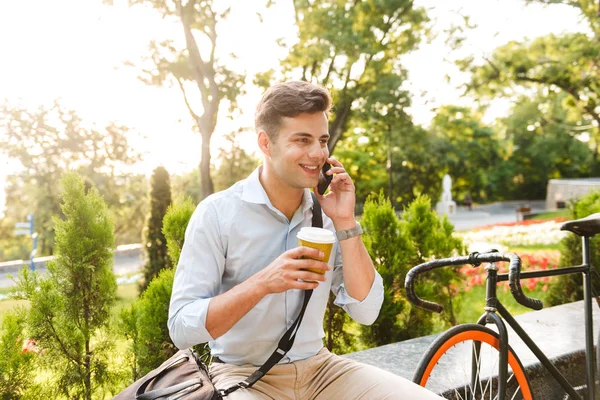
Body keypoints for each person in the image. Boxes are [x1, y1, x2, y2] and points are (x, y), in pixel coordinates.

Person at [168, 81, 443, 399]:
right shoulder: (217, 214)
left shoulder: (328, 213)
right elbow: (181, 327)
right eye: (302, 140)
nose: (317, 153)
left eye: (322, 141)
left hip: (322, 370)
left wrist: (345, 222)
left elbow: (366, 312)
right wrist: (264, 282)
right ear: (266, 143)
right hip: (243, 375)